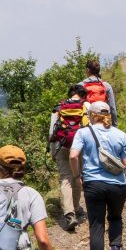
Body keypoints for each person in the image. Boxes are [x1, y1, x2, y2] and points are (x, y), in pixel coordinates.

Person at [69, 101, 126, 250]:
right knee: (115, 218)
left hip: (93, 184)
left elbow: (73, 156)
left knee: (96, 224)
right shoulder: (120, 134)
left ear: (91, 114)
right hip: (117, 184)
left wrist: (76, 176)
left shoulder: (83, 133)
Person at [49, 84, 88, 231]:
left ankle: (69, 214)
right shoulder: (86, 106)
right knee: (77, 176)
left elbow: (51, 132)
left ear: (70, 94)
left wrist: (53, 151)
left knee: (66, 179)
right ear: (83, 95)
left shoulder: (59, 108)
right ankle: (77, 207)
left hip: (62, 146)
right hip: (79, 147)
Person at [80, 59, 118, 125]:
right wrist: (114, 124)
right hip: (102, 121)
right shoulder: (106, 85)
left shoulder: (80, 85)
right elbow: (112, 108)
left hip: (86, 122)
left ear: (87, 70)